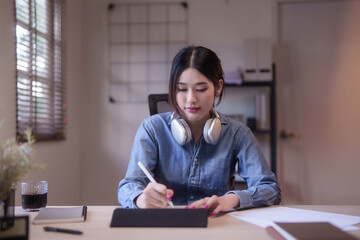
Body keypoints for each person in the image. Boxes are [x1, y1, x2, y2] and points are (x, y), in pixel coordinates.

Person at [118, 45, 281, 215]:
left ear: (218, 87)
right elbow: (128, 187)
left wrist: (231, 199)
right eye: (181, 89)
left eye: (201, 89)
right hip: (166, 226)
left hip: (216, 225)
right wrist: (140, 198)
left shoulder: (237, 133)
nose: (191, 99)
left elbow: (270, 189)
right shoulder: (152, 129)